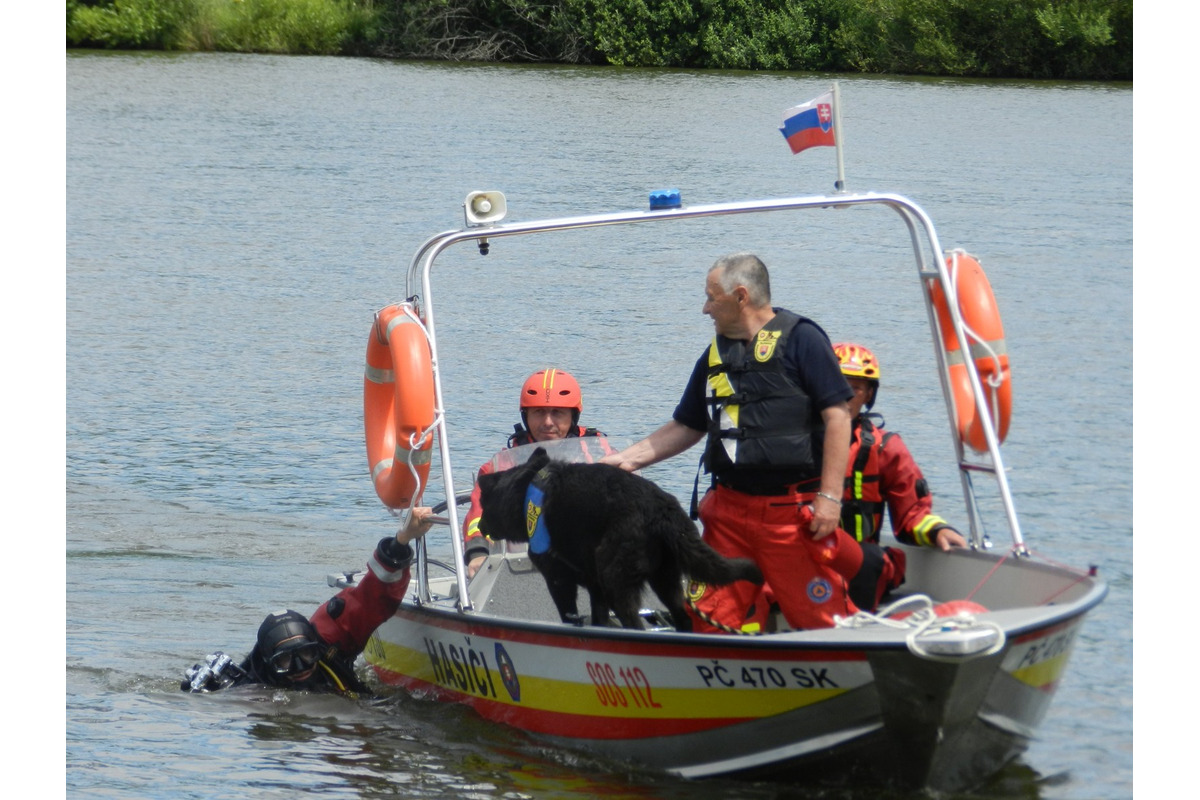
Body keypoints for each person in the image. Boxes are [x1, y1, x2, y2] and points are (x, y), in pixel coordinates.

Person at [603, 253, 881, 632]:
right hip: (728, 515)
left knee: (822, 622)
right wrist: (626, 461)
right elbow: (688, 424)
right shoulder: (716, 354)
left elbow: (838, 417)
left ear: (740, 296)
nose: (705, 309)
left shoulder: (803, 339)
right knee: (708, 621)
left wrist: (830, 498)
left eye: (711, 298)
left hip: (791, 516)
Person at [181, 508, 434, 694]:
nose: (301, 667)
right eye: (285, 661)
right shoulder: (252, 688)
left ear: (317, 647)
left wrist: (403, 538)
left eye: (306, 654)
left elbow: (371, 599)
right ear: (269, 664)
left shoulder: (330, 644)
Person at [462, 368, 610, 577]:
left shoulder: (601, 454)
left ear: (573, 416)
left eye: (557, 412)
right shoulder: (502, 466)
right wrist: (478, 552)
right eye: (539, 412)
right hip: (522, 571)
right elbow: (478, 515)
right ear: (526, 416)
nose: (548, 422)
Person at [833, 342, 967, 552]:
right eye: (837, 385)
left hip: (856, 561)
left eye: (855, 389)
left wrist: (937, 531)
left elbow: (912, 512)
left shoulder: (885, 448)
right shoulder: (794, 441)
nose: (845, 397)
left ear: (869, 395)